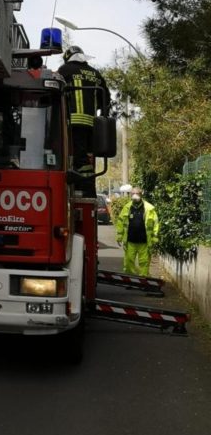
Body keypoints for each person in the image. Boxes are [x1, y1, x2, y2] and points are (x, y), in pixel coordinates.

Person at [58, 45, 111, 197]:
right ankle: (88, 189)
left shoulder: (64, 70)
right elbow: (105, 100)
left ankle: (82, 185)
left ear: (68, 57)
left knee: (76, 159)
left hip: (72, 123)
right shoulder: (95, 73)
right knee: (87, 158)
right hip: (92, 126)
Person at [116, 187, 160, 276]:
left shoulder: (148, 208)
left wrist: (154, 238)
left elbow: (156, 223)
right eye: (133, 194)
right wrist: (119, 236)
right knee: (129, 262)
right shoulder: (127, 208)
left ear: (141, 194)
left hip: (144, 242)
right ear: (130, 195)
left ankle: (143, 280)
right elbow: (120, 222)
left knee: (144, 262)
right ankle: (130, 279)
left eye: (137, 193)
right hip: (130, 241)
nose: (135, 196)